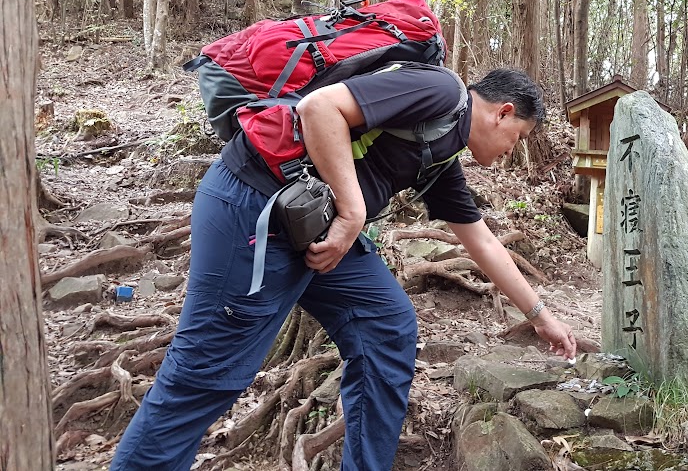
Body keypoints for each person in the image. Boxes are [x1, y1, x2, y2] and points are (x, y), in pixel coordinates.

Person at [111, 63, 577, 471]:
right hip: (254, 205)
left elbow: (483, 242)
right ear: (503, 112)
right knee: (207, 373)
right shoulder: (440, 90)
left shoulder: (441, 156)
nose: (512, 150)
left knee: (387, 329)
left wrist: (543, 319)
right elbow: (319, 109)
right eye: (517, 138)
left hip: (312, 228)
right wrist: (353, 213)